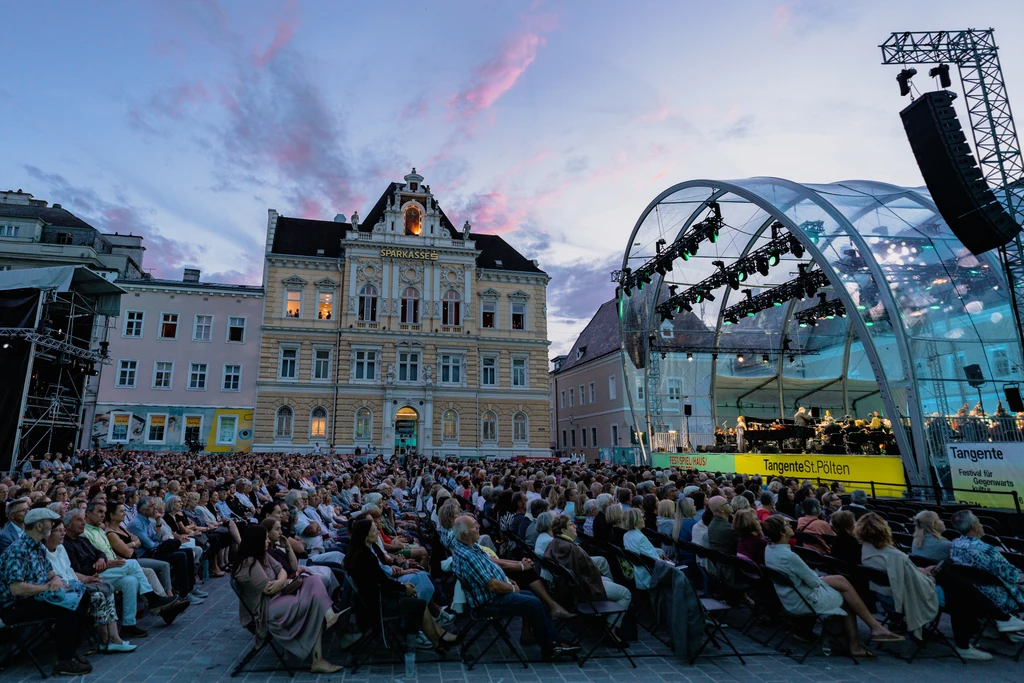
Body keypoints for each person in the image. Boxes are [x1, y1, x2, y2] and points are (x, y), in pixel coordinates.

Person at [856, 513, 998, 661]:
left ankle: (994, 617)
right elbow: (916, 581)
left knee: (954, 581)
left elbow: (903, 573)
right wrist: (928, 574)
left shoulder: (867, 550)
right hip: (906, 600)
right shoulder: (894, 555)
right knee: (960, 596)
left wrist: (922, 571)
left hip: (886, 598)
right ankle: (964, 645)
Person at [762, 515, 903, 657]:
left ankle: (869, 631)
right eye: (787, 525)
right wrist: (820, 577)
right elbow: (814, 583)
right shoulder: (789, 556)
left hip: (790, 595)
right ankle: (857, 643)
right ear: (782, 532)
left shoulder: (770, 549)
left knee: (841, 581)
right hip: (803, 599)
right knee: (847, 599)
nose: (791, 526)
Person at [449, 515, 579, 660]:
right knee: (533, 603)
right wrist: (511, 588)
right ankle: (551, 646)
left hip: (491, 596)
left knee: (531, 596)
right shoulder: (468, 555)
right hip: (488, 603)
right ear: (465, 533)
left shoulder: (471, 547)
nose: (478, 526)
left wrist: (509, 578)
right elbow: (491, 585)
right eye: (474, 526)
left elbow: (492, 565)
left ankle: (546, 639)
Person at [233, 525, 343, 673]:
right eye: (265, 538)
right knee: (313, 602)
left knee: (314, 579)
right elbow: (269, 589)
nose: (268, 541)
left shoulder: (262, 555)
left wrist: (279, 581)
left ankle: (329, 616)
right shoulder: (249, 563)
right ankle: (318, 659)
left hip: (278, 597)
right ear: (256, 541)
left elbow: (282, 570)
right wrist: (282, 582)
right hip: (266, 608)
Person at [343, 518, 458, 655]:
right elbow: (383, 583)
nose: (377, 532)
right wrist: (403, 587)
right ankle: (437, 639)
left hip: (378, 598)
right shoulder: (366, 557)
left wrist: (403, 585)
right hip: (380, 603)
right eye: (374, 530)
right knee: (419, 603)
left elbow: (381, 580)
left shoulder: (364, 551)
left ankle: (439, 637)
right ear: (366, 536)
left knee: (417, 598)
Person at [0, 507, 93, 676]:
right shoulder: (17, 550)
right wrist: (47, 587)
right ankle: (64, 661)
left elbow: (50, 572)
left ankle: (71, 650)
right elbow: (16, 589)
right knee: (66, 607)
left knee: (83, 597)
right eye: (50, 522)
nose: (53, 525)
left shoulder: (38, 547)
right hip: (14, 606)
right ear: (39, 526)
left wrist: (56, 579)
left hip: (35, 598)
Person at [44, 518, 136, 653]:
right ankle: (105, 640)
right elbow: (60, 578)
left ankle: (114, 638)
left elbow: (70, 571)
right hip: (64, 591)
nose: (63, 533)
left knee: (106, 587)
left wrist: (87, 579)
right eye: (58, 530)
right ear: (47, 535)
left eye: (63, 530)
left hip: (77, 583)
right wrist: (84, 580)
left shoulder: (61, 548)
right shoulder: (43, 553)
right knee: (99, 594)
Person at [544, 515, 631, 636]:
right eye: (571, 524)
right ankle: (611, 630)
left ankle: (605, 616)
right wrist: (594, 572)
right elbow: (578, 574)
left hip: (580, 586)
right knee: (626, 594)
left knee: (607, 577)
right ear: (563, 530)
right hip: (585, 591)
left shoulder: (557, 543)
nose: (575, 526)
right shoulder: (569, 547)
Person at [949, 511, 1024, 617]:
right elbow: (1013, 576)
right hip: (1001, 599)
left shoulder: (955, 544)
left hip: (975, 594)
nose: (982, 525)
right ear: (974, 527)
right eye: (979, 522)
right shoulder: (987, 550)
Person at [622, 508, 662, 590]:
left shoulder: (626, 535)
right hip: (650, 575)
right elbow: (655, 561)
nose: (644, 519)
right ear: (636, 520)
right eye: (642, 517)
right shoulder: (640, 538)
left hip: (640, 574)